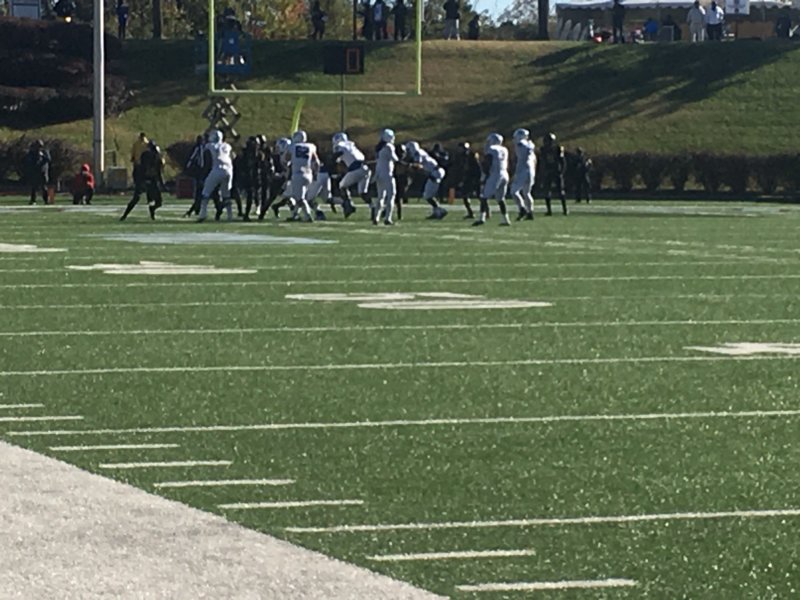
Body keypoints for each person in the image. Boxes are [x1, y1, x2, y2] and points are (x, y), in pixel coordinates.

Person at [121, 140, 165, 220]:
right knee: (136, 199)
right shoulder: (146, 156)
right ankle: (124, 215)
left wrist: (162, 184)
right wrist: (141, 180)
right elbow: (143, 169)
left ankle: (152, 209)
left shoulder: (156, 159)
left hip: (152, 180)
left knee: (159, 202)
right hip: (143, 179)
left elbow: (158, 172)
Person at [404, 141, 448, 220]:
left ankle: (441, 210)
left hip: (435, 172)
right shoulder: (420, 152)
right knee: (429, 195)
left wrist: (408, 166)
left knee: (427, 195)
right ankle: (437, 212)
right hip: (436, 171)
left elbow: (418, 165)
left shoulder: (417, 153)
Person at [198, 129, 235, 222]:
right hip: (229, 170)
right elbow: (233, 157)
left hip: (217, 169)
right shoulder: (227, 146)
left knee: (205, 193)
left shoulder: (209, 146)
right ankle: (230, 215)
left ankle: (203, 214)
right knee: (226, 194)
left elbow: (207, 161)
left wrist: (204, 174)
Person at [332, 132, 372, 218]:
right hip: (366, 169)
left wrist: (332, 160)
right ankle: (373, 207)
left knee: (342, 186)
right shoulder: (351, 145)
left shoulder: (340, 146)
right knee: (363, 192)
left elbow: (337, 158)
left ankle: (349, 205)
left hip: (356, 169)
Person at [473, 133, 509, 226]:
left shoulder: (492, 149)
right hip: (504, 173)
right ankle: (505, 219)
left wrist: (484, 174)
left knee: (484, 197)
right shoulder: (504, 149)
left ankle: (482, 218)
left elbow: (488, 163)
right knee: (501, 199)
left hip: (495, 174)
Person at [286, 130, 318, 222]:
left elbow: (286, 159)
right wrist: (315, 173)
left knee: (299, 198)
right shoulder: (311, 146)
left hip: (297, 174)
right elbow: (317, 162)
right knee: (300, 196)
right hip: (308, 174)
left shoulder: (292, 146)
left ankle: (308, 215)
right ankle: (294, 215)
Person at [374, 128, 398, 225]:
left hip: (378, 173)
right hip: (387, 174)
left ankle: (376, 217)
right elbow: (395, 158)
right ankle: (388, 218)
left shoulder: (379, 147)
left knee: (380, 196)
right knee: (391, 195)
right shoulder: (389, 147)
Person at [540, 133, 568, 216]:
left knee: (560, 191)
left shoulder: (558, 149)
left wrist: (562, 171)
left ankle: (565, 209)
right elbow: (543, 162)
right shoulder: (543, 149)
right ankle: (549, 210)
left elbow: (563, 161)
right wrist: (543, 171)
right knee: (547, 191)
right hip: (548, 171)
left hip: (556, 171)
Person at [511, 128, 536, 221]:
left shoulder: (521, 144)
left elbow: (520, 144)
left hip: (523, 170)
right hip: (531, 170)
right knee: (527, 193)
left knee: (514, 191)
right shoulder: (530, 145)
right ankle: (530, 212)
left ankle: (522, 209)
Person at [23, 140, 50, 205]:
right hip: (35, 172)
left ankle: (46, 200)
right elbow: (28, 160)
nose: (38, 148)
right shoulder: (31, 153)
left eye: (40, 146)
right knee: (34, 187)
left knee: (44, 186)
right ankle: (33, 200)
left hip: (43, 171)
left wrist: (42, 156)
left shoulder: (45, 152)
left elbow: (48, 159)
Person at [129, 132, 149, 212]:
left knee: (141, 181)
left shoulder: (141, 144)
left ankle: (140, 191)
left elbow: (133, 152)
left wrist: (133, 158)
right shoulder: (144, 144)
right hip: (141, 165)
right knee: (144, 181)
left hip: (141, 165)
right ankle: (142, 192)